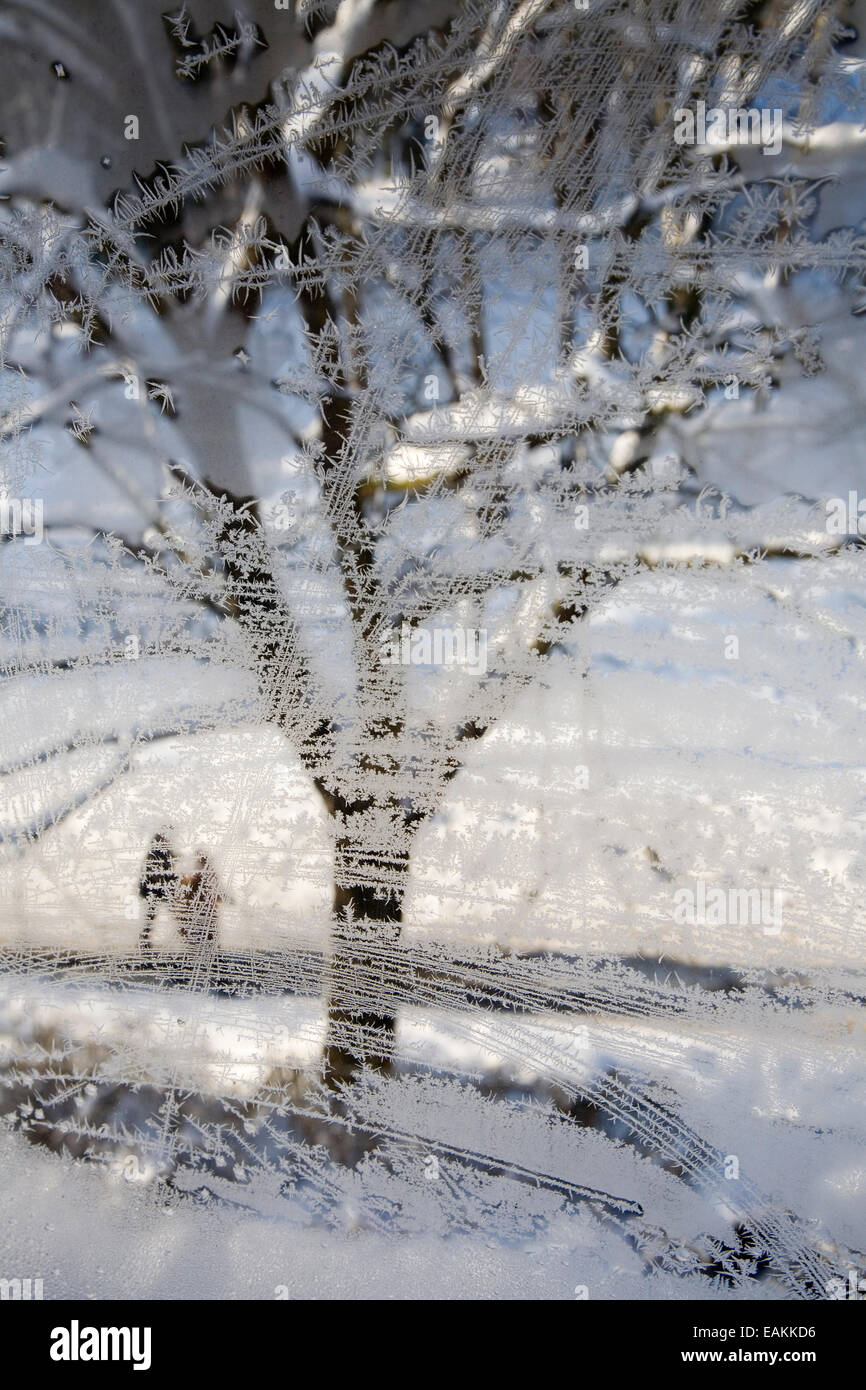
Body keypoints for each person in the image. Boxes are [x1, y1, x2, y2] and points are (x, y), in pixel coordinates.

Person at [138, 830, 179, 952]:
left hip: (160, 889)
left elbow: (172, 862)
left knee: (170, 913)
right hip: (155, 890)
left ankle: (187, 937)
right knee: (152, 915)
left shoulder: (164, 852)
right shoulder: (155, 854)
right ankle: (144, 941)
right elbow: (153, 872)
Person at [174, 851, 222, 949]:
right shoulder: (202, 879)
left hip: (203, 918)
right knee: (206, 945)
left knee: (204, 945)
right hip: (200, 918)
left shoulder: (204, 879)